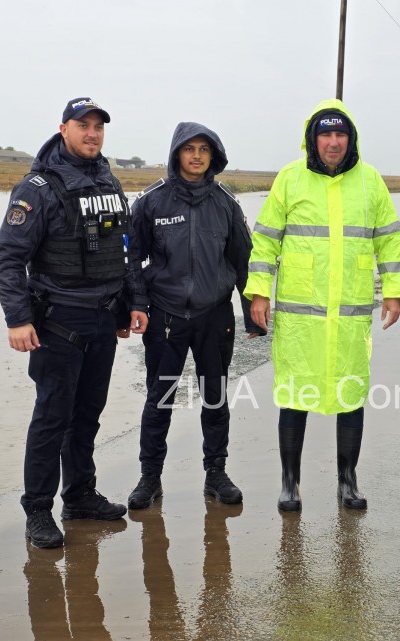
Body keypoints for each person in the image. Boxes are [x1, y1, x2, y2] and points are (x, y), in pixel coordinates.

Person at [0, 97, 148, 549]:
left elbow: (124, 248)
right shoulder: (37, 187)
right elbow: (8, 258)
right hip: (56, 321)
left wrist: (130, 305)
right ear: (64, 129)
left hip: (103, 321)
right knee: (51, 418)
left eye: (99, 127)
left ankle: (79, 495)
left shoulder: (109, 180)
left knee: (86, 417)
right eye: (84, 125)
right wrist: (18, 319)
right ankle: (37, 510)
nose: (93, 134)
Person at [244, 99, 400, 512]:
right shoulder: (290, 179)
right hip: (301, 314)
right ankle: (289, 482)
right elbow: (265, 240)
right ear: (312, 139)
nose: (333, 142)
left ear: (351, 139)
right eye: (325, 134)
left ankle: (347, 481)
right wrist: (259, 292)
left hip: (350, 312)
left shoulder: (370, 181)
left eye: (340, 134)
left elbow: (389, 239)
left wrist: (393, 290)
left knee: (350, 393)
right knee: (295, 394)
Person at [126, 122, 265, 510]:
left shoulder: (225, 202)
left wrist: (251, 313)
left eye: (205, 149)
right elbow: (130, 259)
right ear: (176, 154)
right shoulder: (152, 200)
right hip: (165, 317)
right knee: (161, 397)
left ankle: (216, 473)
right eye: (190, 149)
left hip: (214, 316)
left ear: (213, 155)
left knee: (215, 398)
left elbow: (244, 262)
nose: (197, 156)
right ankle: (149, 477)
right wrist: (135, 305)